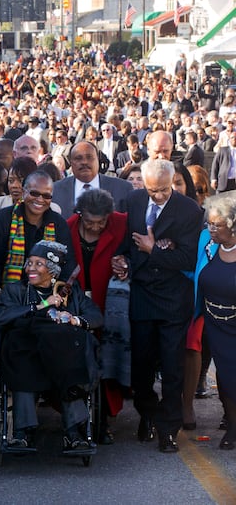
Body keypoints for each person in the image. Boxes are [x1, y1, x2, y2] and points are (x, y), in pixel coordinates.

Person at [111, 158, 202, 453]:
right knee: (141, 368)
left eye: (163, 190)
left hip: (174, 298)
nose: (158, 195)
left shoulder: (189, 210)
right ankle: (149, 414)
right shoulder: (135, 200)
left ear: (172, 181)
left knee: (173, 368)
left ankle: (168, 429)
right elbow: (126, 242)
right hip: (142, 295)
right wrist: (123, 260)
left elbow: (188, 259)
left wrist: (153, 250)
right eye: (152, 190)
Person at [0, 241, 103, 453]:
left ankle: (74, 433)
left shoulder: (70, 292)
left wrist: (74, 319)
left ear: (52, 271)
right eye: (29, 263)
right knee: (20, 361)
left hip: (62, 357)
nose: (30, 268)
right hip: (26, 353)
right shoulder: (15, 290)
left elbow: (96, 316)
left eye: (38, 264)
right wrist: (40, 306)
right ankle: (22, 433)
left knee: (71, 361)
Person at [66, 189, 129, 444]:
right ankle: (78, 419)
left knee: (108, 359)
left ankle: (104, 421)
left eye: (101, 222)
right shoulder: (68, 227)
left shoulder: (121, 223)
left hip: (109, 302)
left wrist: (126, 264)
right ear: (80, 215)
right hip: (76, 303)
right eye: (89, 221)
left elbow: (134, 252)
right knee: (78, 360)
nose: (95, 227)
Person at [0, 170, 74, 304]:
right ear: (24, 192)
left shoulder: (58, 224)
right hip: (8, 295)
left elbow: (68, 262)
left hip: (47, 298)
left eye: (46, 196)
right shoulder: (4, 218)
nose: (40, 200)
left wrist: (59, 293)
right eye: (34, 193)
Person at [195, 193, 236, 449]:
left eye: (216, 225)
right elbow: (192, 272)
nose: (210, 229)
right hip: (214, 323)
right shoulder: (207, 245)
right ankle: (232, 426)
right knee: (225, 376)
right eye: (208, 223)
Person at [52, 141, 133, 215]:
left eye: (89, 157)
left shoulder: (122, 188)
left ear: (98, 160)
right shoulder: (56, 190)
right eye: (78, 158)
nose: (84, 162)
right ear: (70, 163)